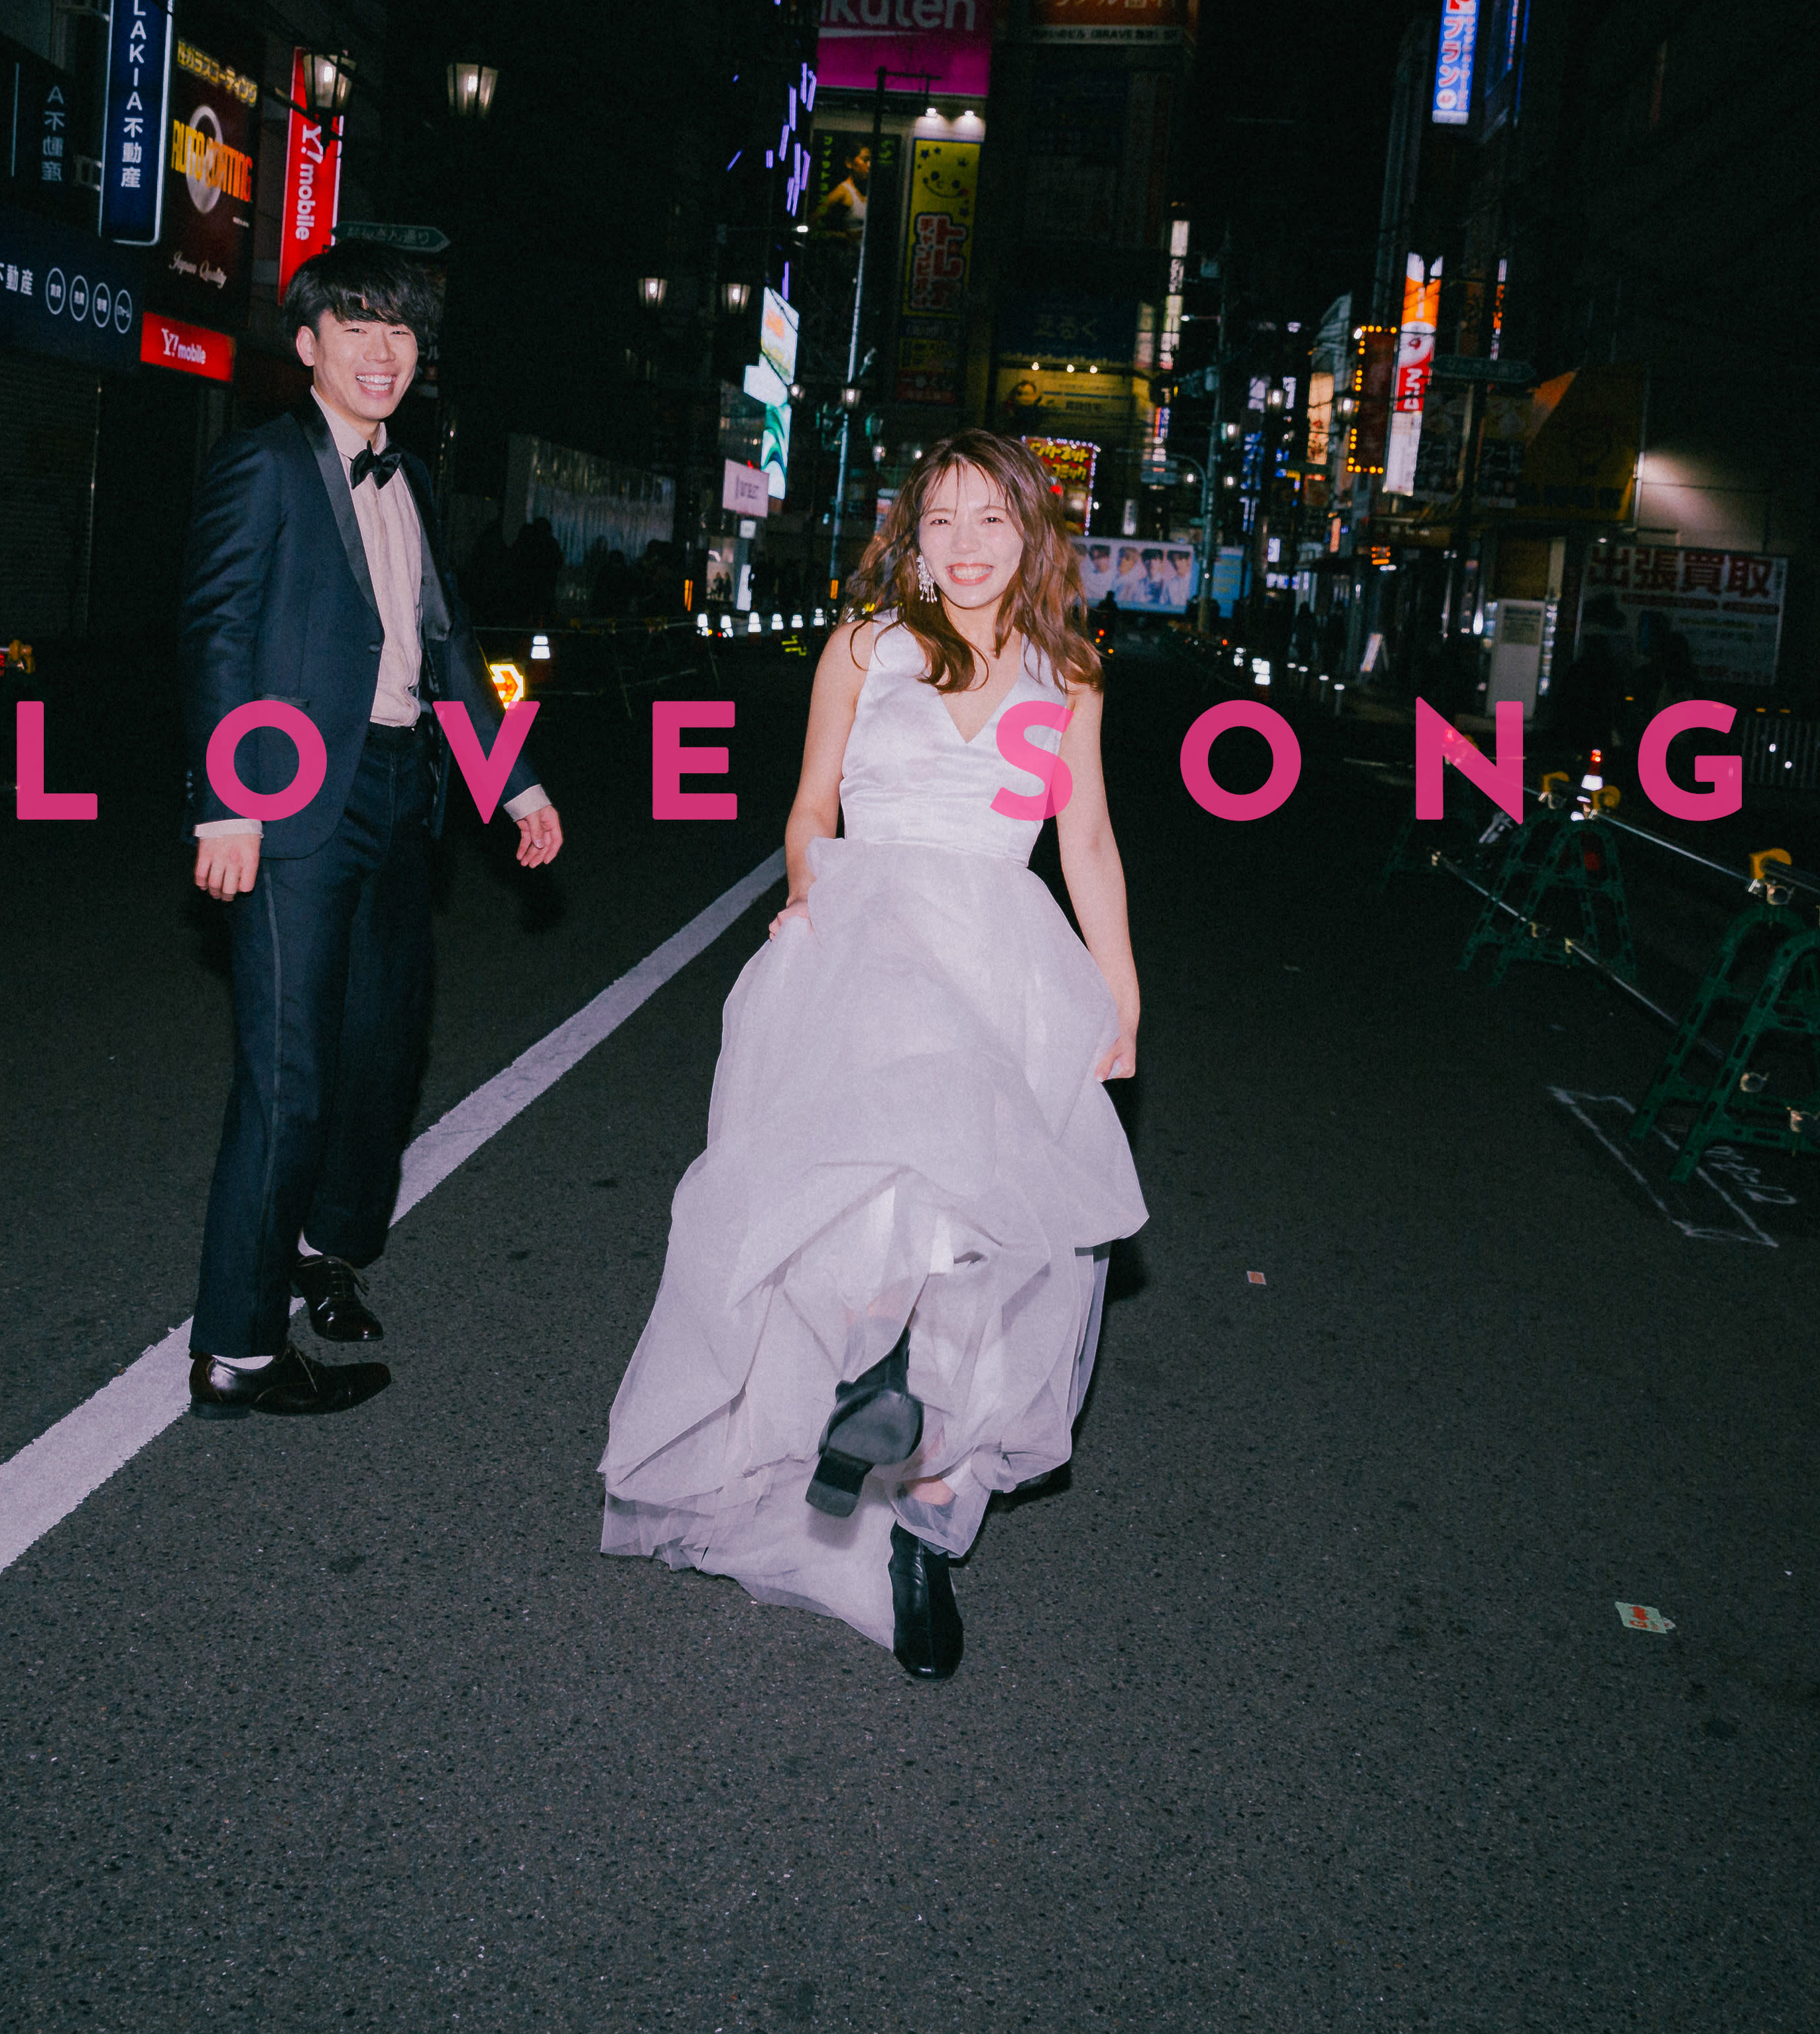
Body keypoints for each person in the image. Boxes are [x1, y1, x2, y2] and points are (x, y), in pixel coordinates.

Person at [598, 430, 1148, 1681]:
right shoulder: (864, 646)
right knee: (866, 1211)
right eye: (940, 519)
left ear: (1031, 532)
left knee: (985, 1242)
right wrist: (808, 895)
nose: (965, 544)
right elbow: (812, 808)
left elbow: (1089, 842)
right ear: (913, 533)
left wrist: (1119, 997)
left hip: (1003, 961)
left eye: (991, 519)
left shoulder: (1070, 672)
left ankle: (926, 1499)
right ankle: (873, 1398)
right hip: (867, 944)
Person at [179, 243, 564, 1419]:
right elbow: (217, 631)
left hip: (403, 795)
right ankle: (238, 1354)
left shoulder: (412, 480)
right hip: (292, 798)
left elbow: (444, 646)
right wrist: (228, 800)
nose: (383, 350)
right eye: (356, 326)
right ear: (308, 346)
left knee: (382, 1052)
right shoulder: (266, 465)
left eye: (399, 329)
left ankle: (321, 1250)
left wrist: (513, 785)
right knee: (289, 1075)